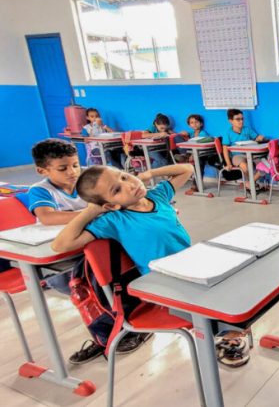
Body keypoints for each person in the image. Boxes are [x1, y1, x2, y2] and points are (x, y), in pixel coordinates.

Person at [52, 164, 251, 367]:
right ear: (110, 205)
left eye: (124, 177)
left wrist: (149, 174)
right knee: (223, 296)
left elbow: (187, 169)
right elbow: (60, 245)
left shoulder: (158, 196)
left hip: (191, 267)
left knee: (239, 275)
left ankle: (227, 328)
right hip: (162, 282)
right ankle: (225, 336)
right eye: (117, 190)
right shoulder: (114, 219)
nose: (129, 185)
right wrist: (92, 210)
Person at [28, 139, 149, 364]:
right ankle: (107, 335)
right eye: (63, 168)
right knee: (90, 293)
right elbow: (47, 217)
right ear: (42, 170)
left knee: (114, 284)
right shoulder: (40, 190)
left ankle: (124, 326)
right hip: (68, 253)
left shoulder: (86, 179)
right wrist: (94, 213)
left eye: (75, 164)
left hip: (96, 245)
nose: (73, 172)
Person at [221, 109, 266, 195]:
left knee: (265, 165)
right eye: (238, 119)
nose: (241, 121)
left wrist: (259, 138)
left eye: (242, 119)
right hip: (237, 155)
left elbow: (255, 138)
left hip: (252, 154)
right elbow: (225, 149)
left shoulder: (247, 129)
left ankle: (250, 183)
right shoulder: (227, 132)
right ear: (230, 121)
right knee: (244, 166)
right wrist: (228, 163)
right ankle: (252, 183)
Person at [184, 114, 210, 192]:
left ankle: (195, 184)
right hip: (193, 153)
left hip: (203, 154)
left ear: (201, 123)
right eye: (192, 122)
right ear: (189, 125)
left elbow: (200, 147)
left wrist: (193, 154)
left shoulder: (203, 134)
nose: (194, 124)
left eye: (196, 122)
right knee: (177, 137)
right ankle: (184, 155)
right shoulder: (191, 134)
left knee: (199, 163)